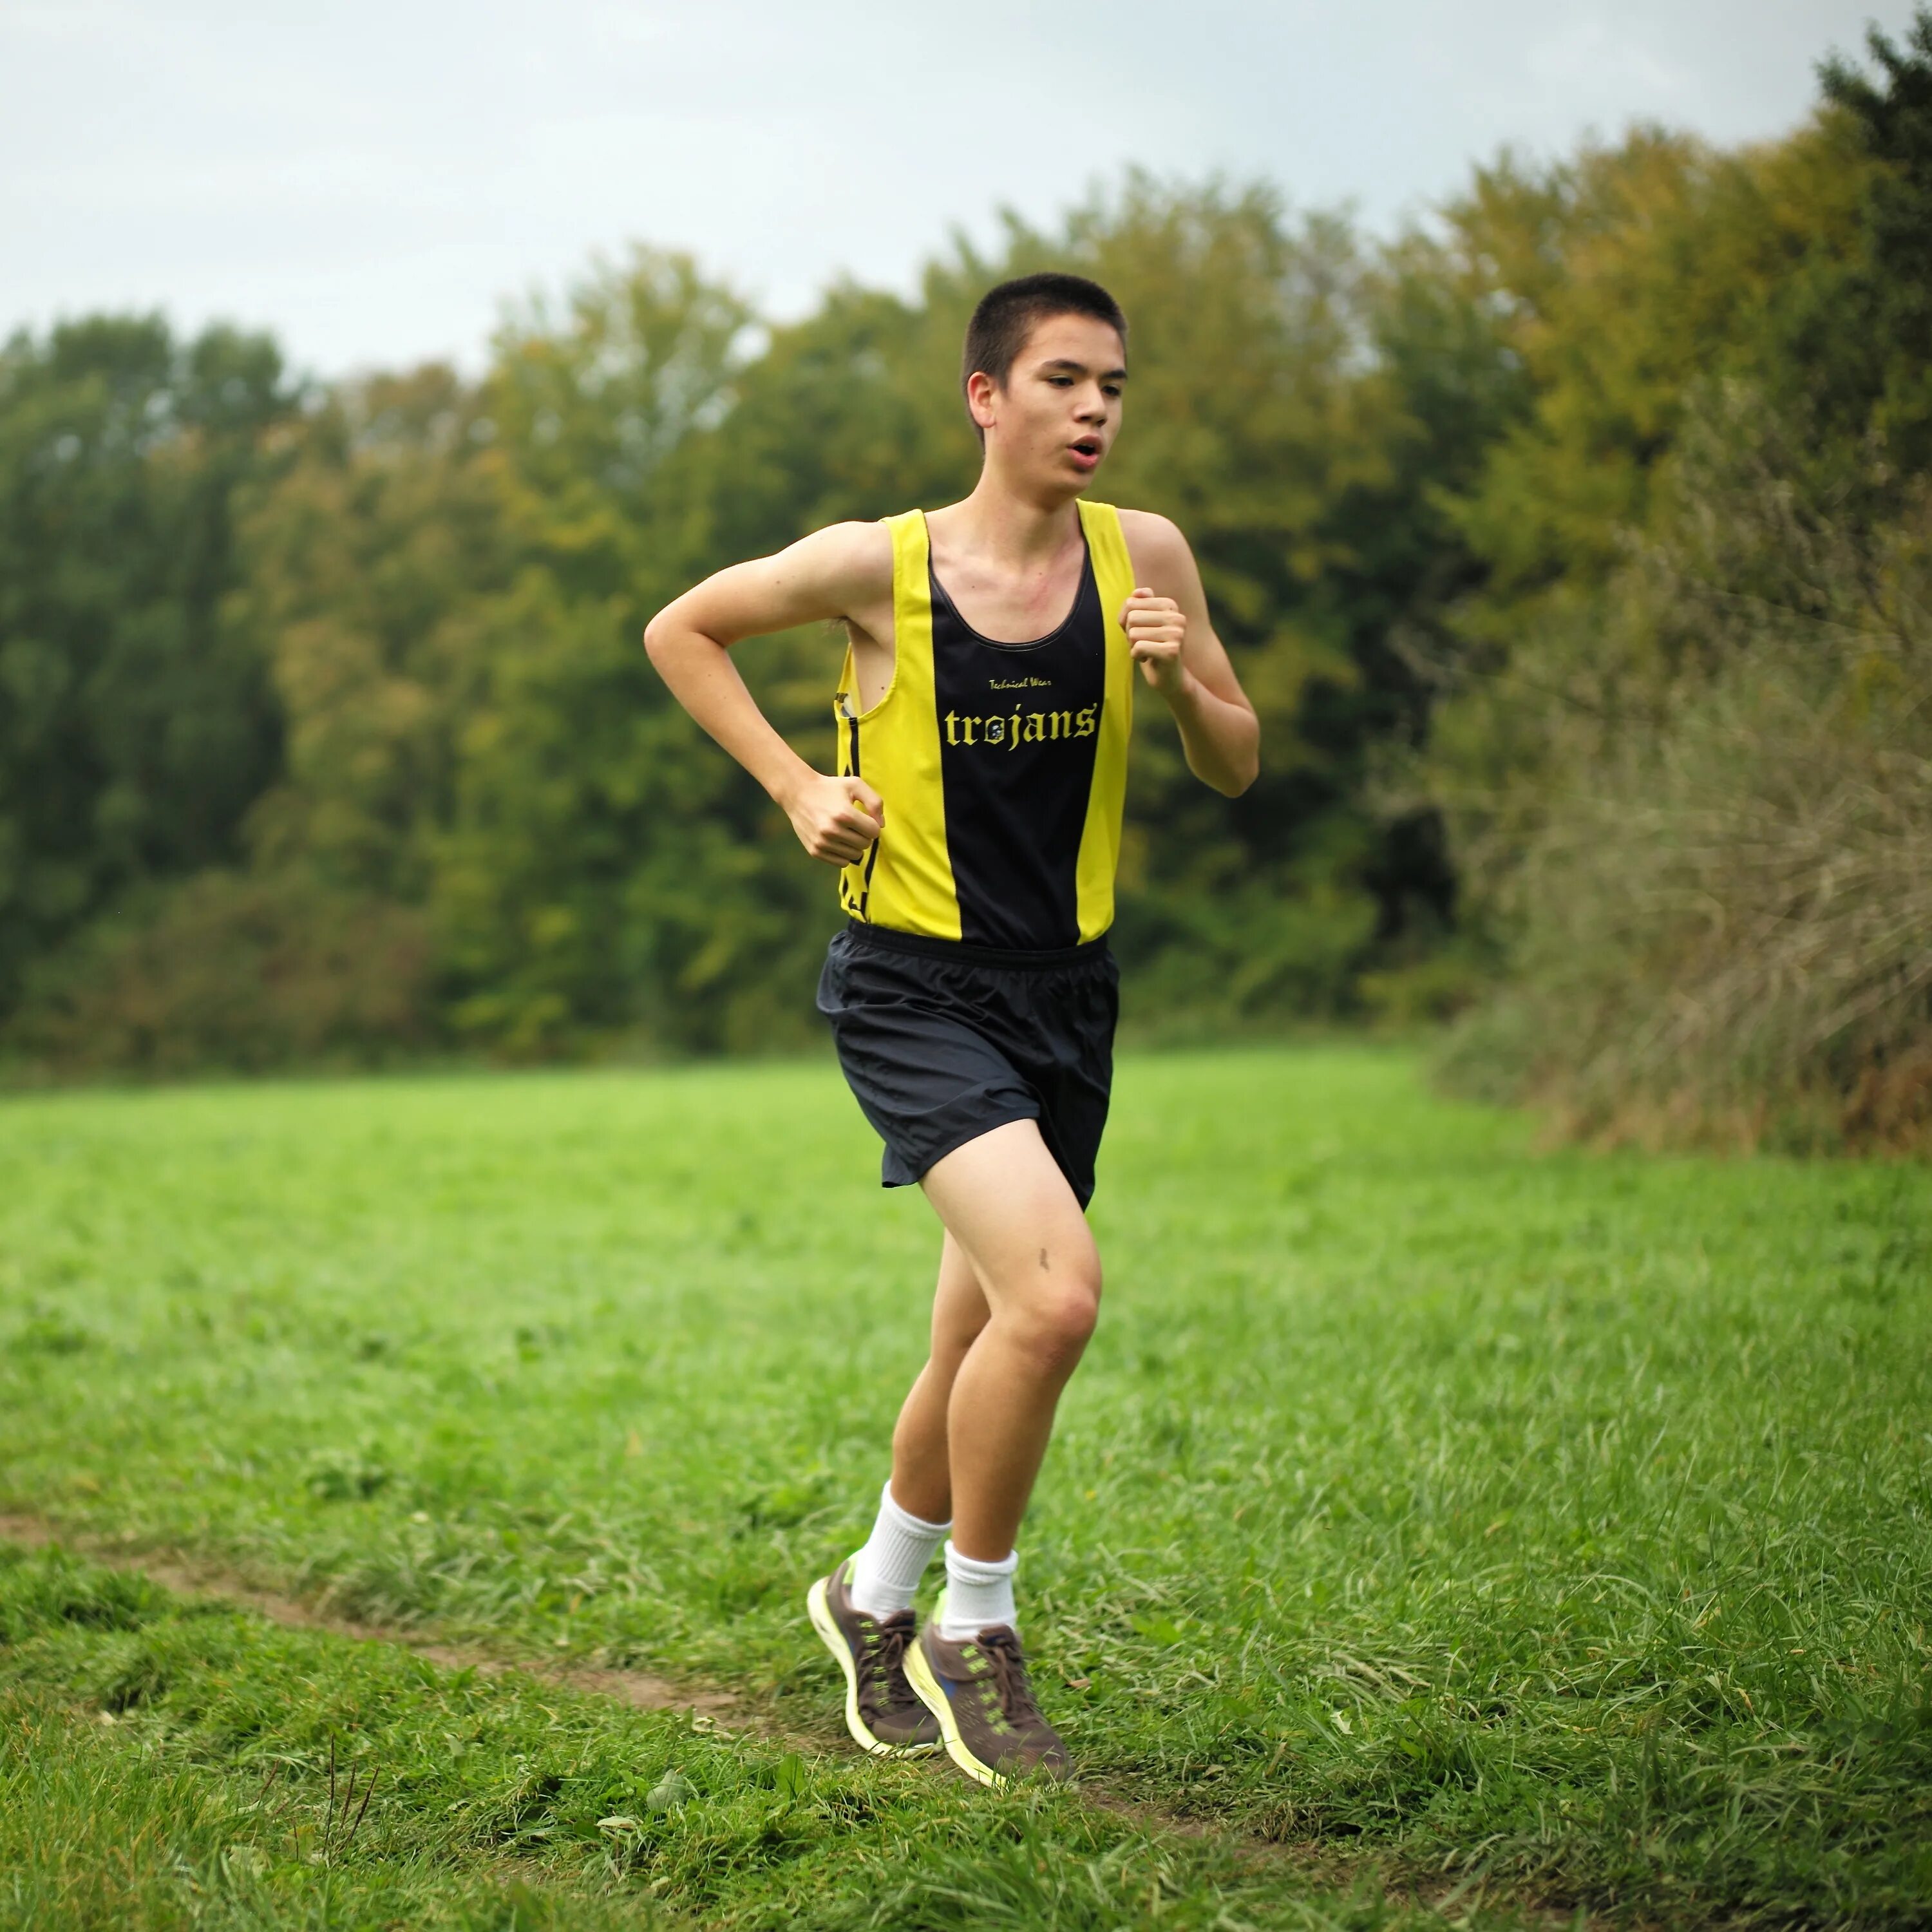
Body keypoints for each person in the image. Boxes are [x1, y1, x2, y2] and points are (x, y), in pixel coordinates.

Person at [643, 272, 1258, 1786]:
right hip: (914, 988)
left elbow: (1238, 762)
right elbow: (683, 630)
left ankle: (868, 1593)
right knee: (1054, 1302)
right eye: (1063, 381)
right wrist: (797, 785)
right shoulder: (879, 567)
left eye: (1113, 384)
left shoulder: (1146, 556)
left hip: (1069, 994)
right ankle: (972, 1627)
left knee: (978, 1333)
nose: (1096, 409)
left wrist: (1180, 681)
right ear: (987, 398)